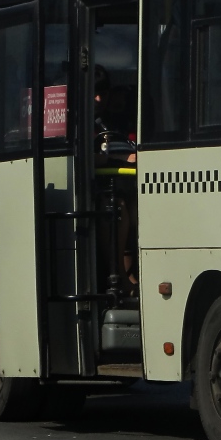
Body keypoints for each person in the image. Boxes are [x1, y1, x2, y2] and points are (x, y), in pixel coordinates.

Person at [94, 65, 139, 298]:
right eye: (94, 93)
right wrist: (124, 159)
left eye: (103, 92)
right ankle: (118, 275)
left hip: (128, 187)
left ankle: (132, 275)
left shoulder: (114, 123)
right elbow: (93, 159)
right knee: (117, 210)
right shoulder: (83, 125)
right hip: (98, 193)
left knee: (135, 209)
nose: (99, 98)